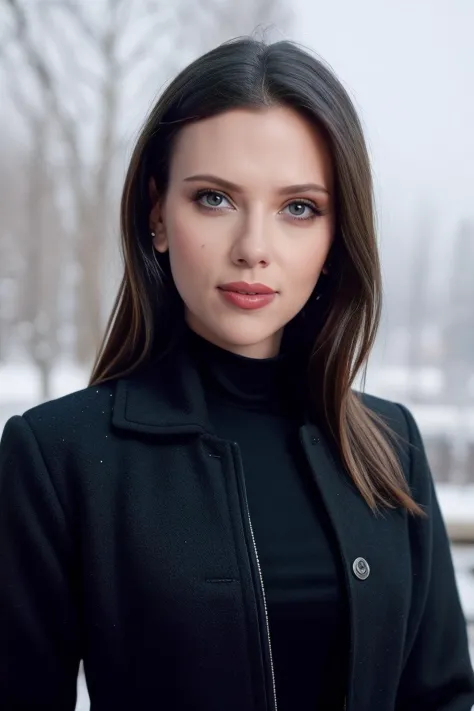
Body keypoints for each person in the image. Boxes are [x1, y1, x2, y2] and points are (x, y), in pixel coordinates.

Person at [1, 37, 473, 711]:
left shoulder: (390, 444)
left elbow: (441, 696)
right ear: (157, 213)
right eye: (216, 198)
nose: (255, 247)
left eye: (298, 207)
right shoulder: (56, 457)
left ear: (337, 234)